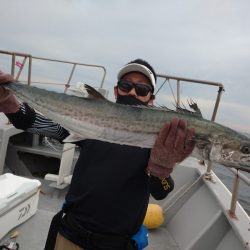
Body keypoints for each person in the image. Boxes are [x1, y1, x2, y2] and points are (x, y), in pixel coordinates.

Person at [0, 59, 195, 250]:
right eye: (126, 85)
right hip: (71, 234)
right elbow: (36, 124)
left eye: (142, 89)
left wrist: (161, 170)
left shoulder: (158, 139)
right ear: (117, 90)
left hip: (117, 244)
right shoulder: (90, 123)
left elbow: (162, 191)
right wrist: (9, 103)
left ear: (151, 99)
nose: (133, 92)